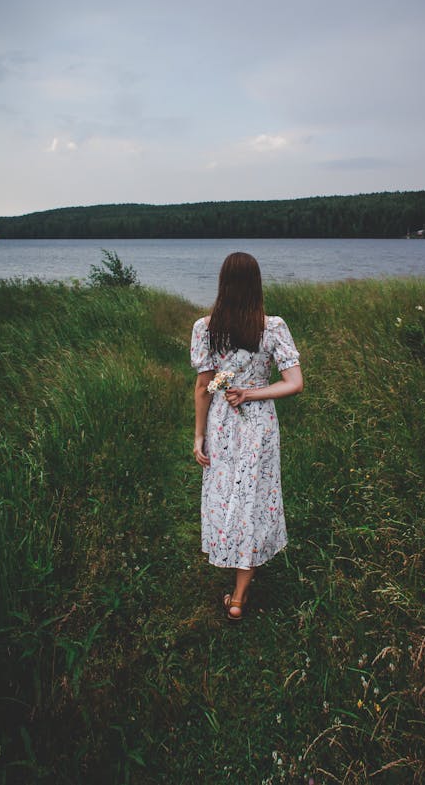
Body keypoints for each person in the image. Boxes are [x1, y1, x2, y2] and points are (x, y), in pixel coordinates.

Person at [190, 252, 303, 621]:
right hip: (258, 425)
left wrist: (199, 435)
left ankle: (232, 564)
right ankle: (239, 596)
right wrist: (252, 391)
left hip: (222, 421)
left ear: (223, 283)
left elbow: (205, 386)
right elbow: (294, 383)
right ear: (257, 284)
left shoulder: (205, 327)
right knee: (253, 496)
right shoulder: (273, 327)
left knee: (227, 493)